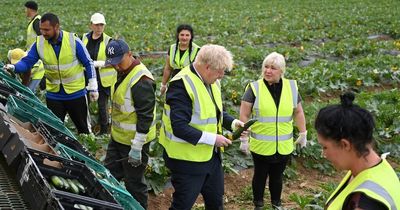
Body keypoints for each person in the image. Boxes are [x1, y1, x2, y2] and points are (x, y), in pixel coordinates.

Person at [159, 44, 245, 210]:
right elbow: (179, 127)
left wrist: (233, 123)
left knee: (215, 204)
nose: (221, 76)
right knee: (182, 206)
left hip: (211, 158)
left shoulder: (212, 81)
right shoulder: (181, 85)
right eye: (220, 71)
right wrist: (213, 139)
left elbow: (215, 112)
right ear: (207, 67)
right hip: (187, 162)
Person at [4, 13, 98, 134]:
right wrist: (14, 67)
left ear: (56, 27)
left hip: (76, 94)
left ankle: (86, 150)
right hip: (54, 95)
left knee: (83, 129)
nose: (43, 32)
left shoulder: (73, 41)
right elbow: (27, 62)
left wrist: (93, 85)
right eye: (41, 29)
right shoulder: (39, 43)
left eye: (46, 30)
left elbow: (88, 63)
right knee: (54, 131)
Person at [239, 52, 307, 210]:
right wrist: (243, 138)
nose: (268, 71)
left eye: (273, 68)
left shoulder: (291, 87)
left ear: (281, 71)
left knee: (277, 177)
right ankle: (258, 204)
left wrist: (303, 133)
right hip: (261, 145)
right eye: (266, 67)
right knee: (260, 176)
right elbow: (244, 114)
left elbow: (298, 112)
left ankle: (277, 203)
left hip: (283, 145)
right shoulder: (254, 88)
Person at [315, 92, 400, 210]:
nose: (323, 154)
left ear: (345, 144)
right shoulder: (375, 170)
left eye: (325, 147)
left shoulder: (367, 201)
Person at [103, 39, 156, 210]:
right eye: (113, 63)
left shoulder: (141, 80)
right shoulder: (122, 71)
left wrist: (137, 146)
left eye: (119, 61)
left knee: (134, 183)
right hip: (118, 139)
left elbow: (145, 116)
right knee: (109, 173)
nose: (116, 66)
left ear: (129, 54)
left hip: (134, 143)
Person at [82, 13, 116, 134]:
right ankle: (85, 129)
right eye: (96, 25)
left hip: (102, 79)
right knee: (85, 104)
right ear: (91, 25)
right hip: (88, 77)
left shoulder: (109, 41)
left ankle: (104, 131)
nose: (99, 27)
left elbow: (115, 60)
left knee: (102, 106)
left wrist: (99, 63)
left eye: (101, 25)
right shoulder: (85, 38)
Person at [160, 24, 200, 95]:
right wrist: (163, 84)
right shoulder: (172, 48)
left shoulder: (197, 50)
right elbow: (168, 68)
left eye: (187, 35)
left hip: (191, 83)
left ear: (191, 37)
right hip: (175, 82)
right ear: (178, 36)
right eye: (182, 35)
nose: (184, 38)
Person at [24, 1, 45, 92]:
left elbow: (42, 37)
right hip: (33, 55)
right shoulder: (34, 21)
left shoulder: (37, 21)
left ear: (29, 9)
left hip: (37, 56)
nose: (25, 11)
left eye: (25, 9)